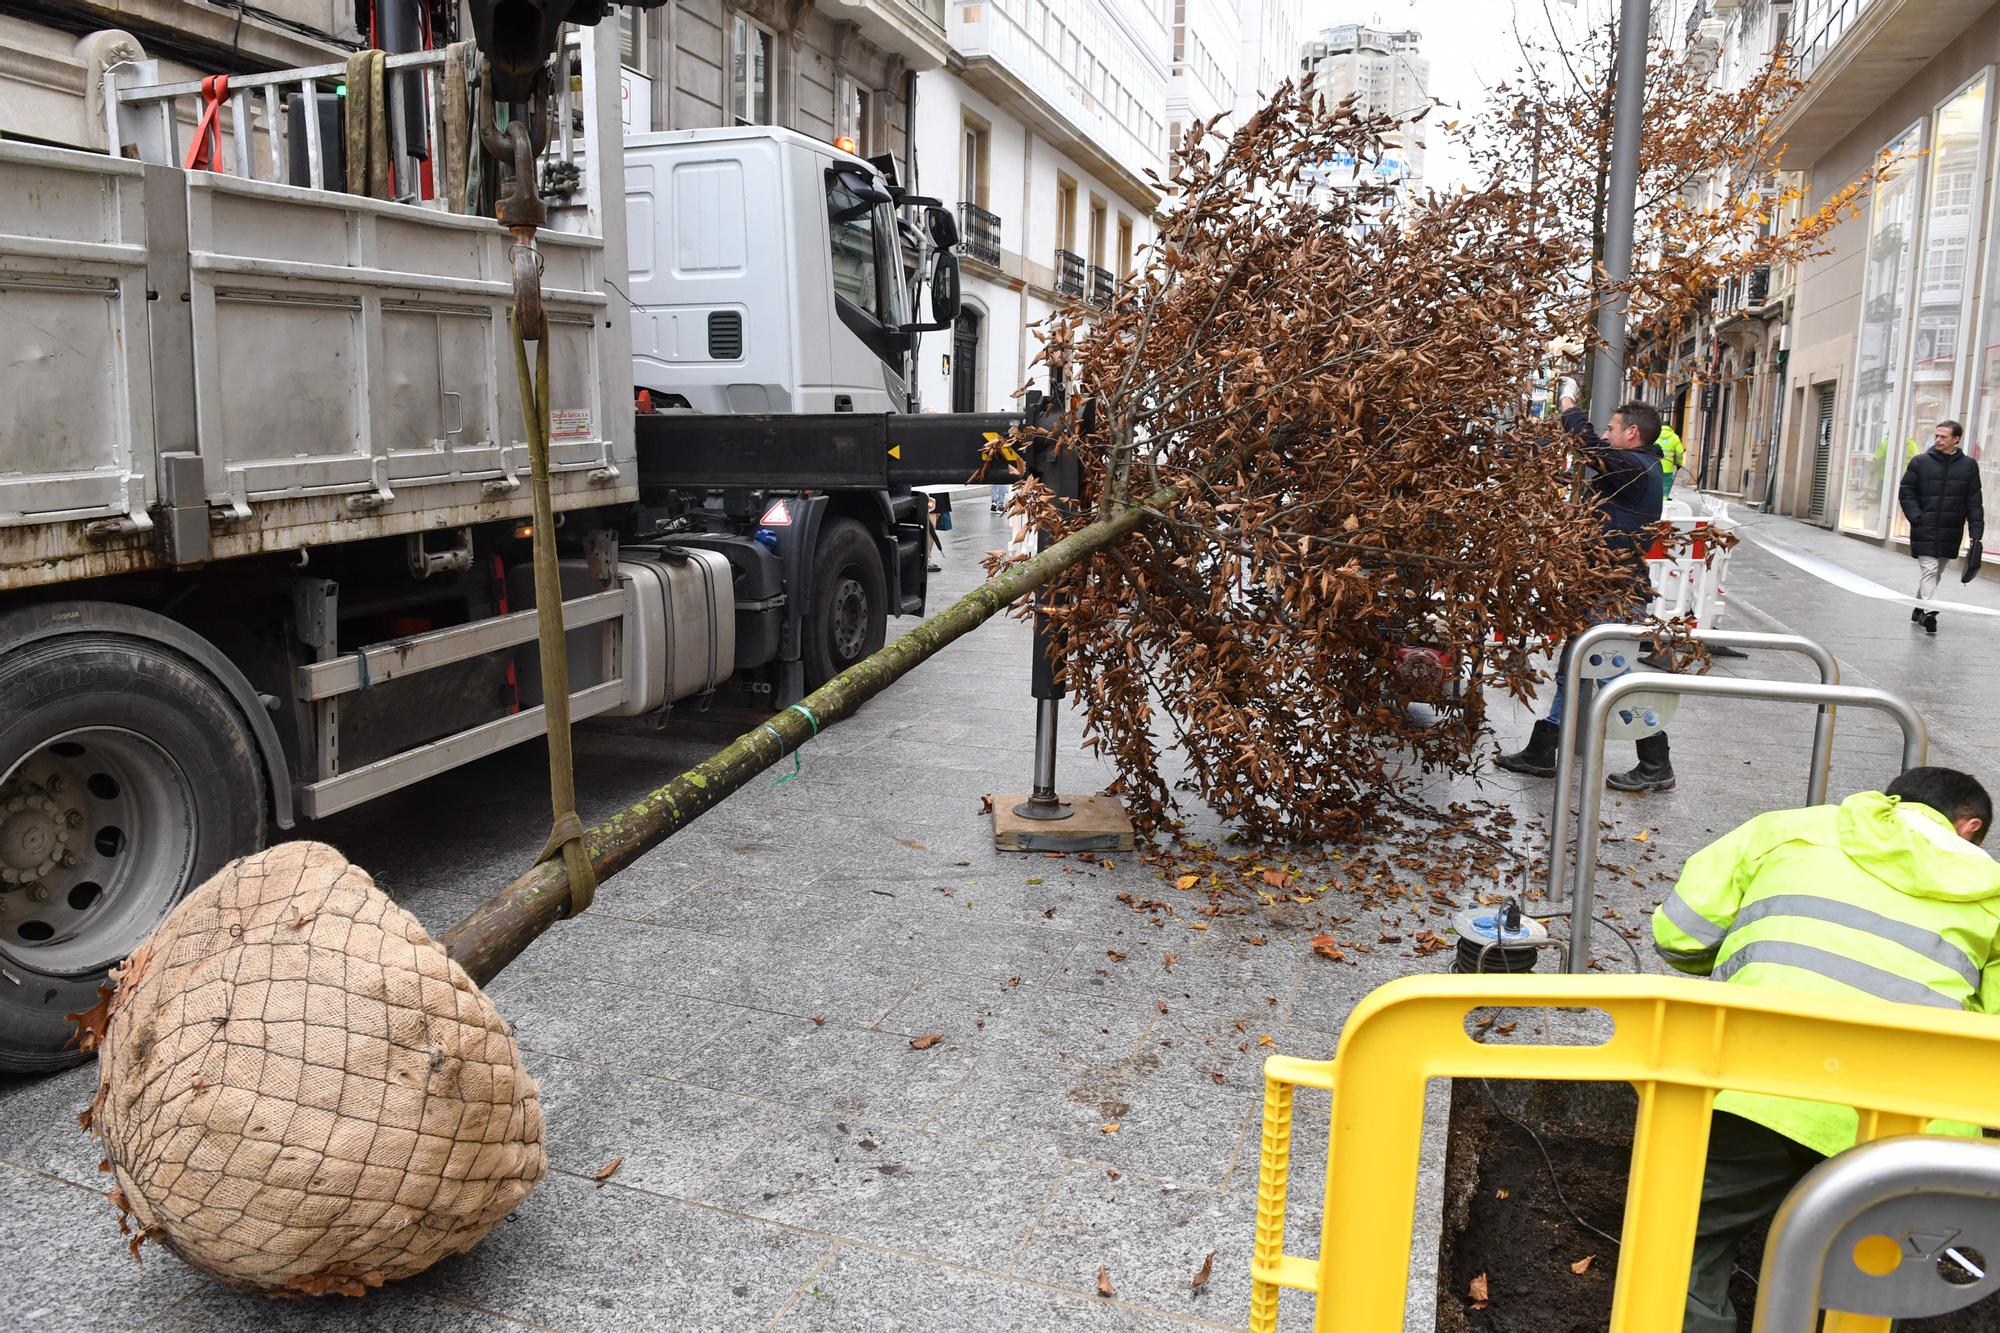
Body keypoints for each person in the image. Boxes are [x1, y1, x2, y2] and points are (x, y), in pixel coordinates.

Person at [1652, 766, 2000, 1333]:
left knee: (1688, 1234)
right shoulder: (1993, 888)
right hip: (1910, 1125)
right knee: (1881, 1264)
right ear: (1969, 826)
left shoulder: (1785, 829)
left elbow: (1680, 933)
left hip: (1758, 1082)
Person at [1497, 395, 1671, 790]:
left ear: (1632, 433)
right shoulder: (1633, 467)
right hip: (1601, 585)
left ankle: (1656, 760)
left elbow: (1587, 446)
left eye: (1612, 428)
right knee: (1572, 670)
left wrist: (1570, 407)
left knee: (1614, 677)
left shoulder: (1637, 467)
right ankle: (1542, 753)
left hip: (1615, 589)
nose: (1606, 434)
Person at [1898, 419, 1984, 635]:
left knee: (1936, 574)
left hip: (1951, 529)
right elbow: (1906, 492)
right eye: (1936, 435)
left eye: (1943, 436)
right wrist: (1917, 517)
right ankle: (1931, 613)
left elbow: (1974, 501)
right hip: (1925, 527)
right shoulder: (1920, 462)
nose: (1938, 439)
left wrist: (1976, 533)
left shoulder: (1969, 466)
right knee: (1930, 569)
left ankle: (1919, 609)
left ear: (1956, 439)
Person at [1657, 421, 1686, 498]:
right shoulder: (1675, 437)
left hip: (1655, 467)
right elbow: (1679, 453)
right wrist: (1679, 463)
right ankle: (1664, 500)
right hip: (1668, 468)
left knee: (1655, 485)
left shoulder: (1655, 435)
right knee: (1666, 485)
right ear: (1670, 428)